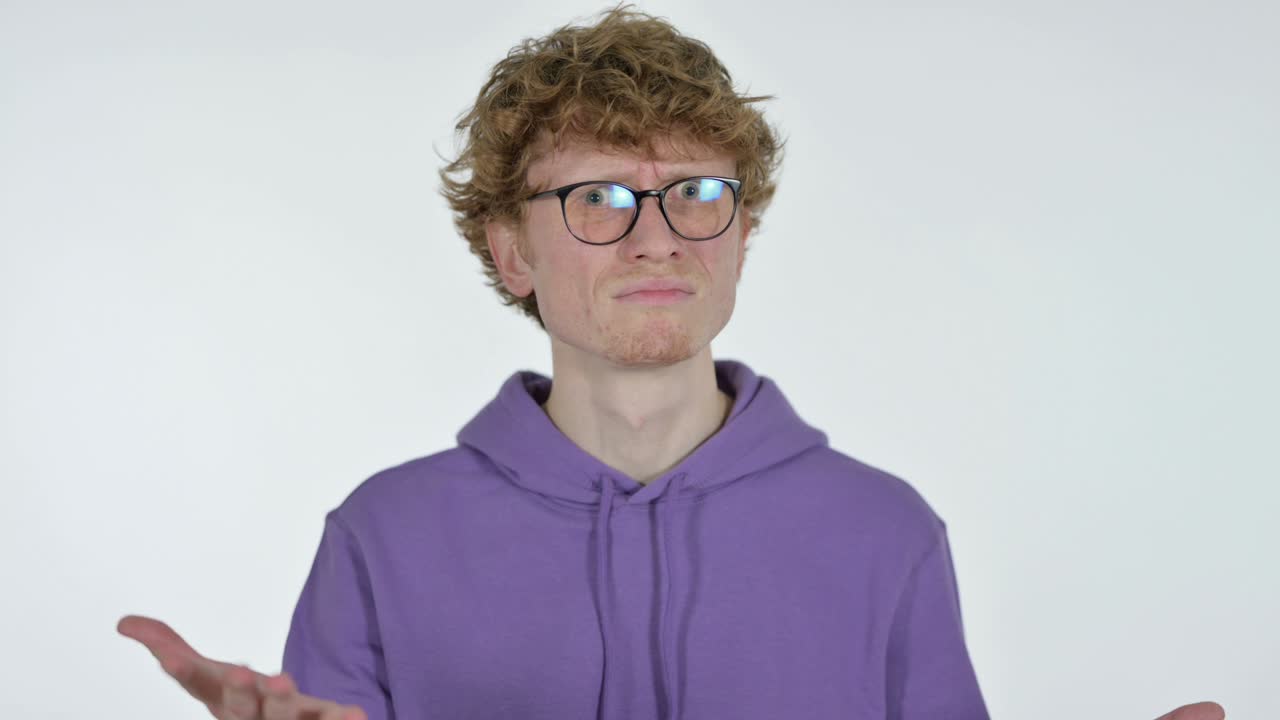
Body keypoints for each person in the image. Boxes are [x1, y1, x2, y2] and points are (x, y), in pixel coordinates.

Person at [118, 6, 1226, 720]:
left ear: (742, 232)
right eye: (597, 198)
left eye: (697, 194)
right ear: (510, 251)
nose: (657, 237)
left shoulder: (886, 533)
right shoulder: (383, 535)